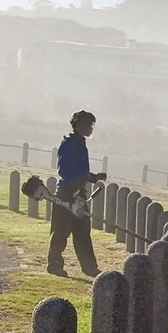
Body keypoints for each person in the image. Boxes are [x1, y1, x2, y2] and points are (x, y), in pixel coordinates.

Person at [47, 110, 104, 277]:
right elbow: (63, 170)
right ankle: (54, 265)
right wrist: (76, 184)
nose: (90, 128)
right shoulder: (68, 144)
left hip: (79, 193)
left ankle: (90, 268)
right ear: (79, 125)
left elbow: (81, 172)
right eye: (88, 124)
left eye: (91, 125)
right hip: (66, 193)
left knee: (82, 231)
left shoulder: (80, 144)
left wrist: (93, 178)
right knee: (61, 232)